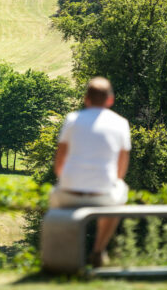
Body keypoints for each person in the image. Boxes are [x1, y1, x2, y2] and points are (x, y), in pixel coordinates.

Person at [50, 76, 131, 268]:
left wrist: (67, 180)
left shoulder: (72, 120)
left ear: (86, 99)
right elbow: (121, 169)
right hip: (103, 196)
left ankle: (61, 255)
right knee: (121, 190)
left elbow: (59, 160)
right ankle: (98, 250)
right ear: (110, 100)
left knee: (54, 197)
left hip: (68, 194)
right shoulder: (121, 123)